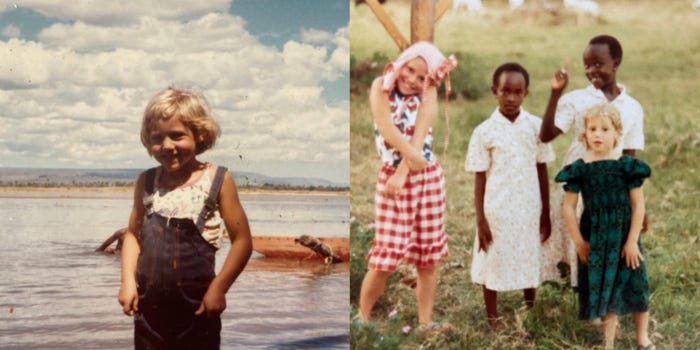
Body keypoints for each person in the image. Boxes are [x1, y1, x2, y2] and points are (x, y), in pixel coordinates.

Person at [117, 87, 253, 349]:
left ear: (200, 134)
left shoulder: (218, 180)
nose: (167, 146)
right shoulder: (145, 182)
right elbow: (133, 235)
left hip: (199, 309)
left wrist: (219, 289)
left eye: (177, 135)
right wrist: (127, 283)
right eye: (157, 138)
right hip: (149, 311)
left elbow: (242, 241)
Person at [355, 41, 457, 331]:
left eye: (422, 77)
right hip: (393, 179)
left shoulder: (429, 94)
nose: (412, 79)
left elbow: (420, 134)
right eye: (410, 69)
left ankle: (425, 322)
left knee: (428, 256)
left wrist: (407, 168)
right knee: (385, 255)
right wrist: (403, 169)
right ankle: (362, 319)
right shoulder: (380, 86)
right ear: (402, 62)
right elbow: (387, 130)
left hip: (427, 179)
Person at [539, 34, 645, 285]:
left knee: (608, 234)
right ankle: (580, 290)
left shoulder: (632, 106)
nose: (591, 70)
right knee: (580, 232)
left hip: (615, 183)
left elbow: (630, 153)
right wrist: (555, 94)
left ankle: (606, 299)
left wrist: (638, 203)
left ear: (616, 62)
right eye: (587, 65)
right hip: (581, 178)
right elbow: (546, 135)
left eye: (598, 64)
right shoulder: (576, 100)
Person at [556, 104, 653, 350]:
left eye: (605, 129)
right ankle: (608, 343)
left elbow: (638, 204)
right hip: (597, 236)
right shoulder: (580, 169)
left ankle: (643, 338)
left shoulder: (626, 166)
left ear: (617, 132)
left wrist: (632, 241)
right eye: (592, 129)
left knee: (636, 282)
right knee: (608, 289)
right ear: (585, 133)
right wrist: (579, 242)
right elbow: (568, 208)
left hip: (624, 234)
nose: (598, 134)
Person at [464, 62, 554, 329]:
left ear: (526, 93)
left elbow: (542, 169)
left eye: (517, 92)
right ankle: (493, 317)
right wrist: (480, 219)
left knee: (528, 252)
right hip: (497, 209)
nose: (511, 98)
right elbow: (479, 177)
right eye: (505, 91)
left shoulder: (537, 127)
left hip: (529, 206)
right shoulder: (484, 131)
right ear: (495, 91)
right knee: (493, 255)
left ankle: (530, 307)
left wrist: (545, 212)